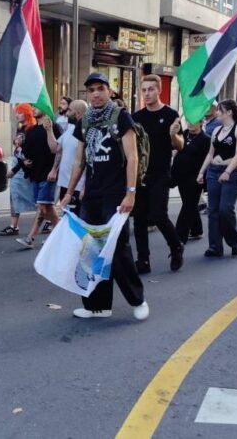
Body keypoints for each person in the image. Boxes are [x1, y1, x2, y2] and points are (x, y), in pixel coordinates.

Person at [59, 72, 148, 321]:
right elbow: (79, 160)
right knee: (91, 250)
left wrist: (130, 193)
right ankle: (97, 305)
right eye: (91, 90)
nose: (96, 93)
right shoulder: (85, 120)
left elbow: (132, 157)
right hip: (93, 195)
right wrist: (69, 194)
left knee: (118, 249)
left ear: (109, 91)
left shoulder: (121, 116)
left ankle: (137, 300)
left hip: (116, 193)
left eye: (100, 88)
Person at [131, 74, 185, 273]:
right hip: (140, 174)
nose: (146, 93)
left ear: (159, 90)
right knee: (139, 219)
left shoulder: (171, 115)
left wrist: (173, 135)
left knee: (158, 215)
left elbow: (180, 145)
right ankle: (143, 260)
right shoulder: (136, 118)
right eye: (144, 90)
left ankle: (176, 246)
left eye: (150, 89)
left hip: (161, 173)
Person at [197, 99, 237, 257]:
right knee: (213, 211)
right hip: (213, 171)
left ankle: (234, 241)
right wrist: (202, 172)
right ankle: (215, 247)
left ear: (229, 112)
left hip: (232, 173)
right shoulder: (216, 131)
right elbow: (210, 154)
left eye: (220, 110)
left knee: (225, 210)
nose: (217, 112)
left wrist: (227, 171)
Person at [15, 107, 61, 249]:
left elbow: (58, 150)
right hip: (36, 174)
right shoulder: (31, 130)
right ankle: (61, 233)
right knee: (46, 208)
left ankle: (31, 237)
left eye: (37, 106)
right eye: (32, 106)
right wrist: (23, 158)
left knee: (43, 207)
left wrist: (54, 170)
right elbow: (26, 152)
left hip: (48, 174)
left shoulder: (55, 127)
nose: (34, 109)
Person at [0, 104, 39, 236]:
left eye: (20, 112)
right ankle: (13, 225)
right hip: (19, 164)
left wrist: (15, 170)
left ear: (27, 113)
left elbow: (29, 154)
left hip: (25, 169)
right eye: (17, 112)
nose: (17, 115)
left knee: (37, 199)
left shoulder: (31, 129)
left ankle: (50, 219)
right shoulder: (20, 128)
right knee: (14, 196)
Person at [172, 121, 210, 243]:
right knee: (189, 203)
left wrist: (203, 176)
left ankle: (178, 237)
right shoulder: (184, 133)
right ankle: (196, 230)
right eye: (188, 121)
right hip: (180, 174)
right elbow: (175, 147)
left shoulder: (205, 139)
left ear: (201, 123)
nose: (190, 124)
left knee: (188, 205)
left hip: (195, 177)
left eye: (193, 122)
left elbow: (207, 160)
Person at [53, 99, 87, 216]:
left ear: (78, 113)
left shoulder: (85, 132)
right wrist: (48, 130)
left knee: (76, 221)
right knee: (66, 219)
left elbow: (87, 161)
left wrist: (84, 187)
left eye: (70, 110)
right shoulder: (70, 129)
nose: (67, 113)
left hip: (78, 187)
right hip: (64, 185)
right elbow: (56, 149)